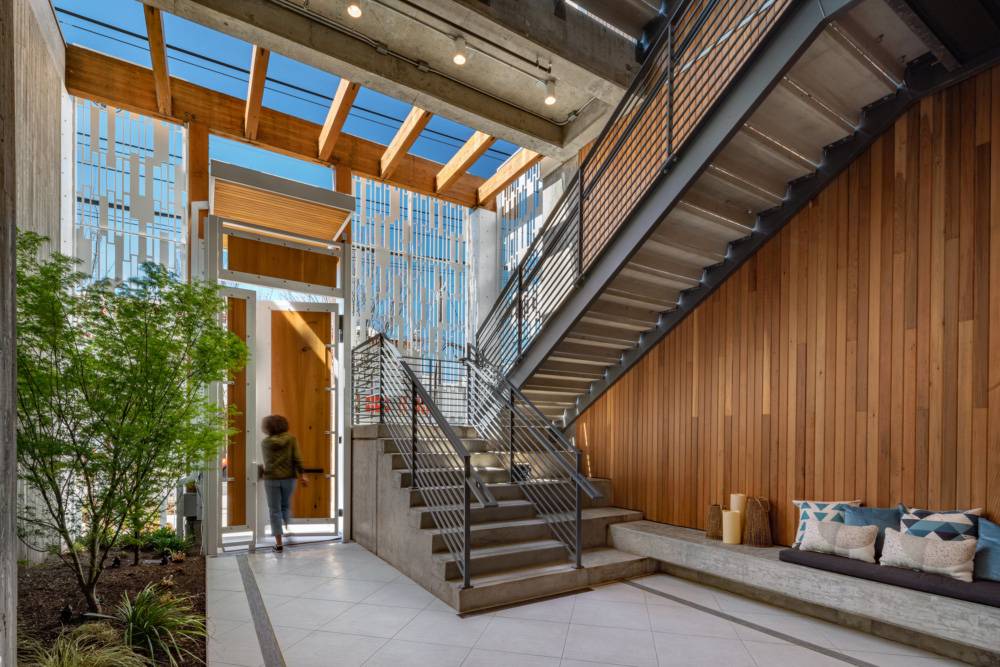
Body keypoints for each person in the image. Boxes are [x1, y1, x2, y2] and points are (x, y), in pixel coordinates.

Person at [260, 415, 308, 551]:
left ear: (268, 427)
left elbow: (267, 462)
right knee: (286, 505)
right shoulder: (291, 439)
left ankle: (279, 543)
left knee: (274, 510)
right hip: (289, 477)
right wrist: (303, 475)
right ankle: (288, 526)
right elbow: (297, 458)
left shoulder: (265, 443)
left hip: (271, 478)